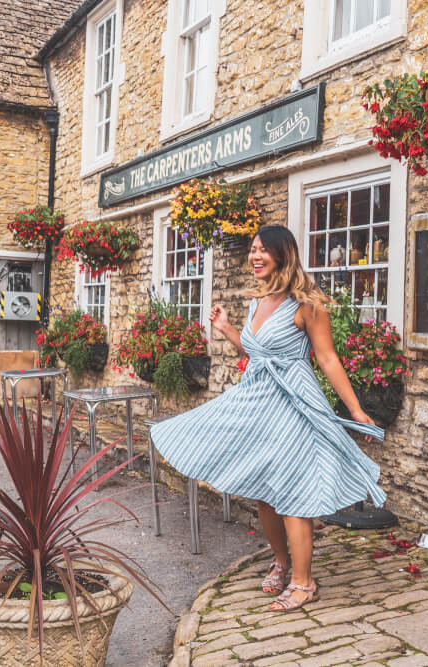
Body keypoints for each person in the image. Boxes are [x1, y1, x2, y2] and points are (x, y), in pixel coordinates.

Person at [149, 225, 386, 611]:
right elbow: (259, 353)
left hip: (293, 404)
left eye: (263, 250)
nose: (255, 256)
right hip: (258, 403)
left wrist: (356, 409)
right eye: (253, 250)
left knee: (292, 491)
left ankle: (303, 583)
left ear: (282, 254)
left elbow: (327, 358)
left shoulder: (307, 304)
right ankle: (282, 560)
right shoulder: (259, 301)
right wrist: (226, 329)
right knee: (264, 493)